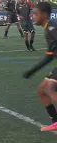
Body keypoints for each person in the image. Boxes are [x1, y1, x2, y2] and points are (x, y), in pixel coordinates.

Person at [22, 2, 57, 131]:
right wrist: (32, 71)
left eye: (36, 14)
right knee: (41, 89)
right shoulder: (48, 28)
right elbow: (49, 57)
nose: (33, 16)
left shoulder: (52, 28)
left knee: (49, 88)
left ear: (45, 15)